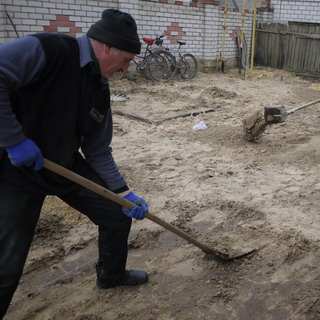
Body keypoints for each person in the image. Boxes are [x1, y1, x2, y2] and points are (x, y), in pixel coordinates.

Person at [0, 8, 149, 318]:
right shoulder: (47, 50)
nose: (124, 70)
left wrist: (122, 192)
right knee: (7, 262)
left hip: (63, 164)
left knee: (116, 215)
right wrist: (14, 139)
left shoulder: (99, 88)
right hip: (14, 169)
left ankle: (111, 275)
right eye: (124, 61)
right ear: (107, 47)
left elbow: (97, 149)